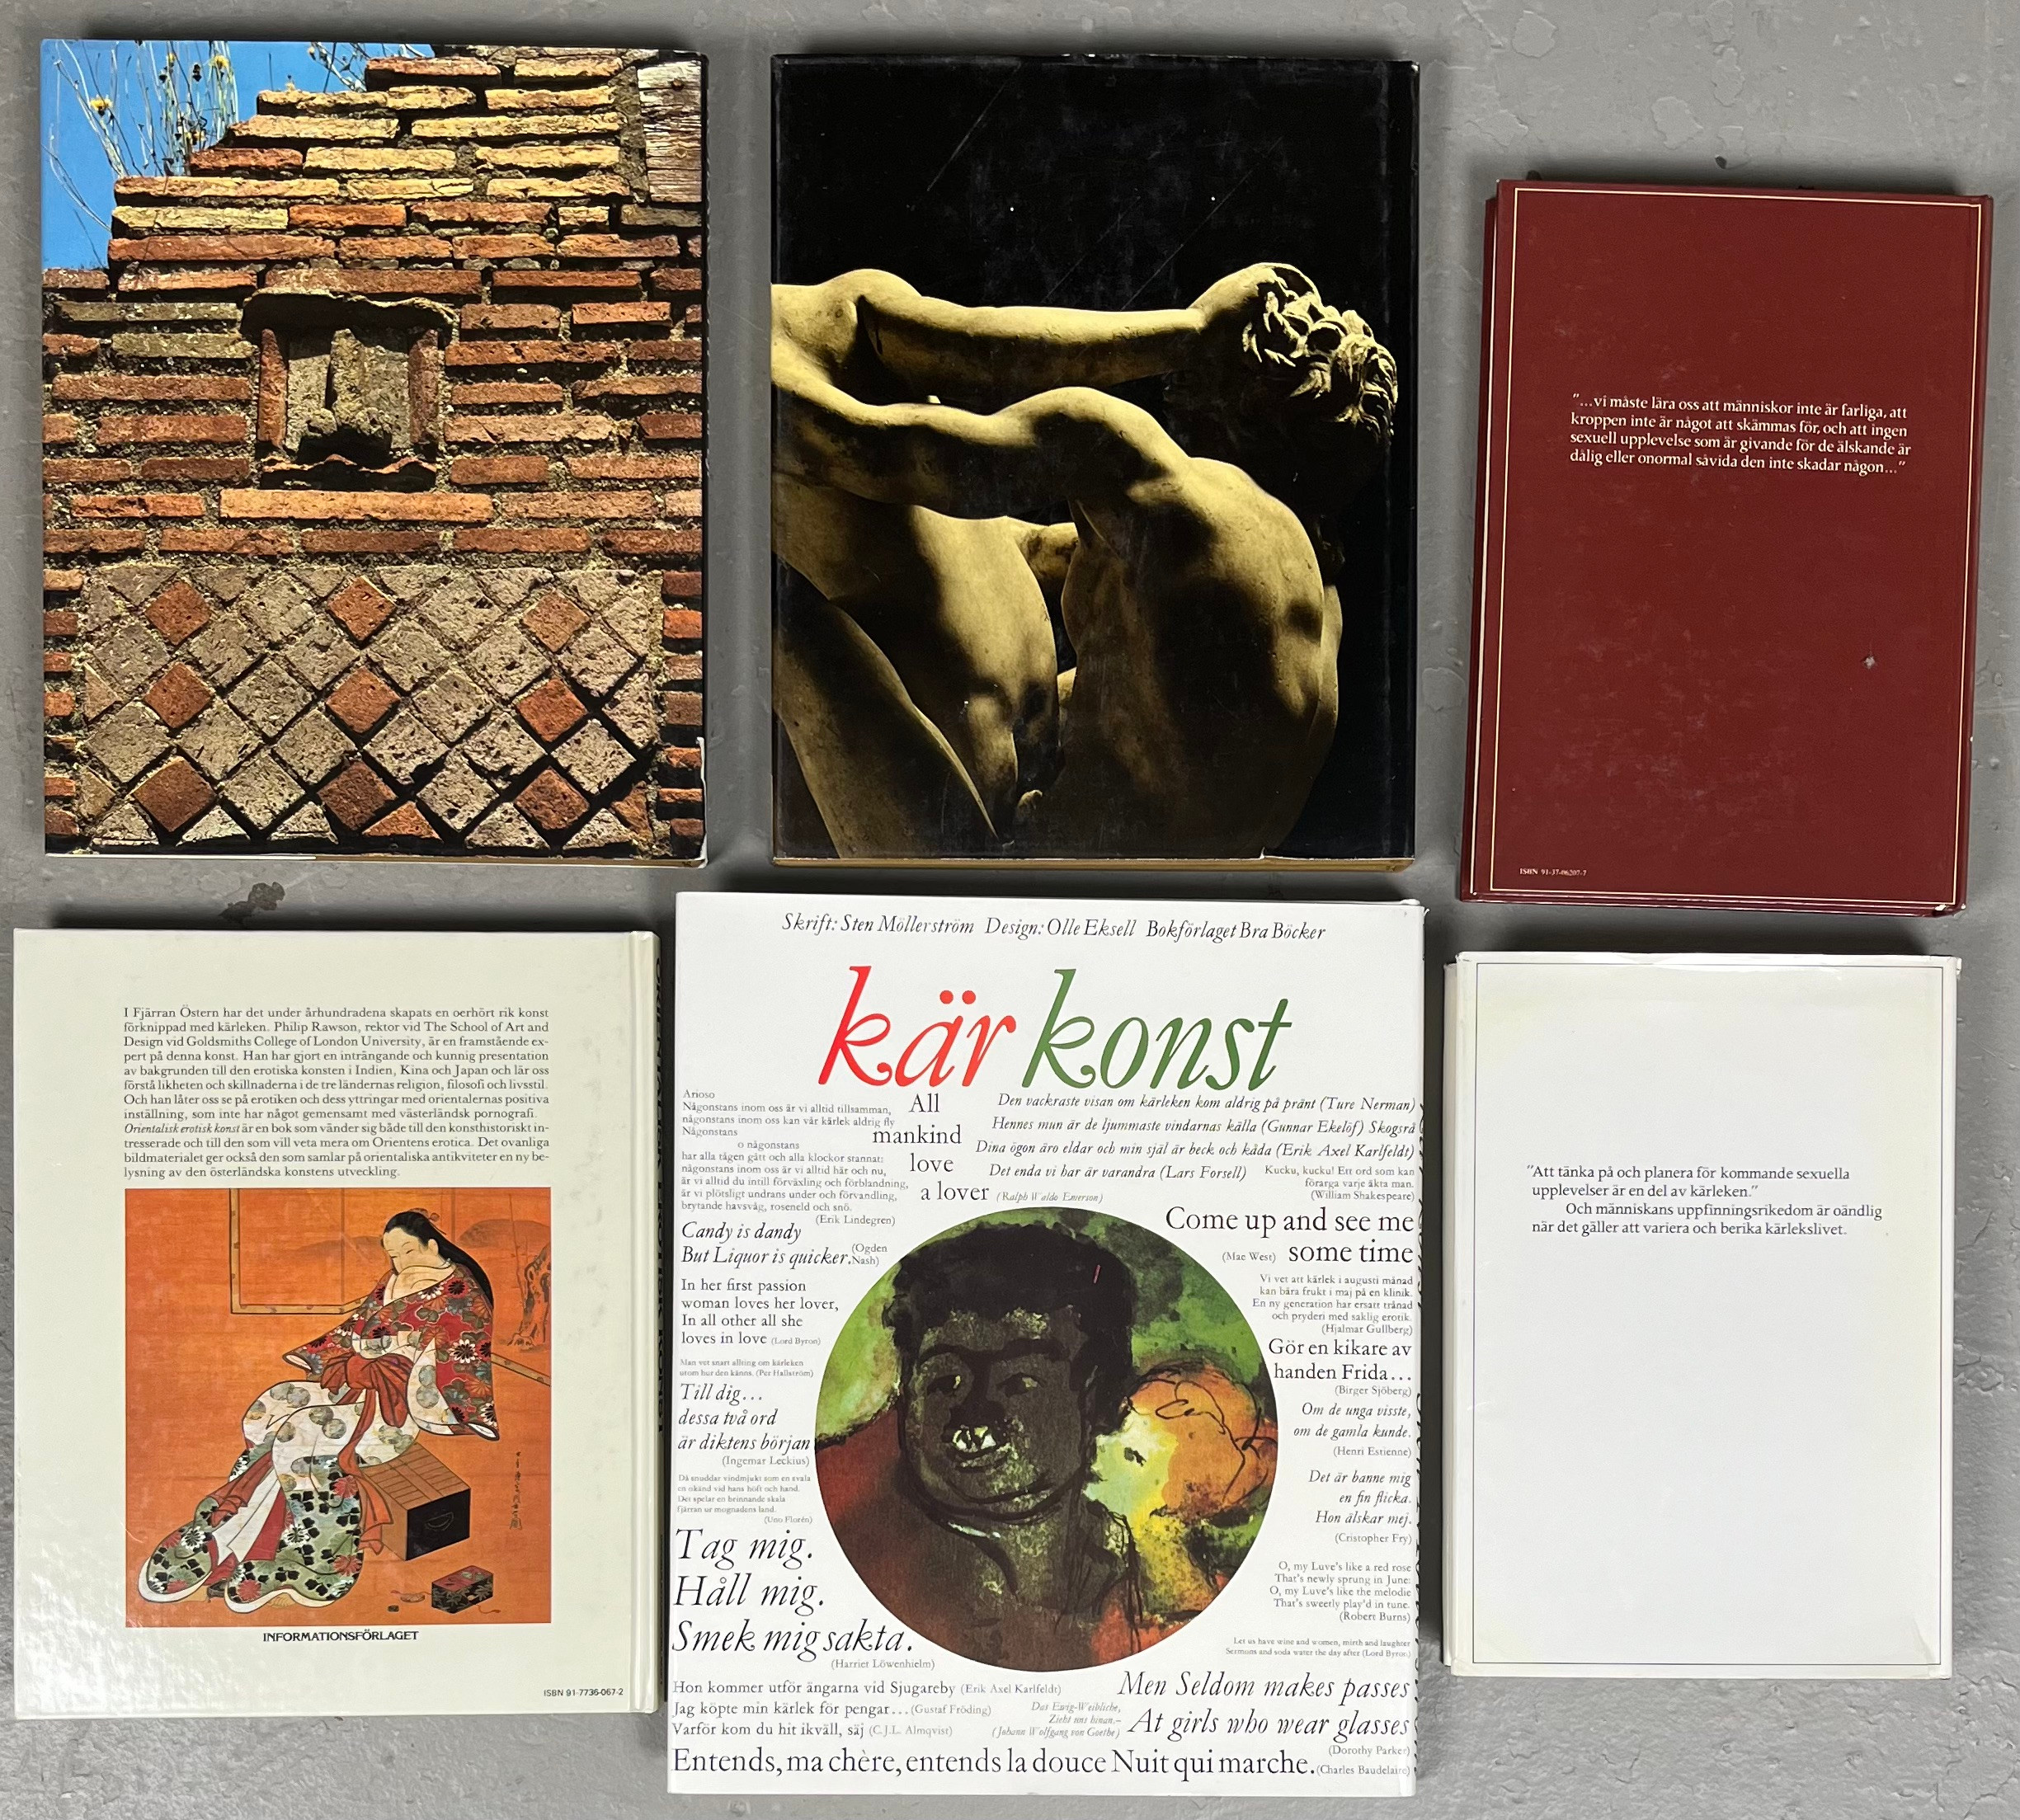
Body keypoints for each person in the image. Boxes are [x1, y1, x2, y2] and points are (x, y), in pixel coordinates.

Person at [772, 263, 1398, 858]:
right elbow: (1043, 558)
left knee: (781, 617)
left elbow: (878, 451)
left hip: (1020, 890)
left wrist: (1192, 327)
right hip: (1178, 905)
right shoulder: (1312, 596)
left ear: (1221, 385)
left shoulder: (1138, 468)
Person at [816, 1220, 1152, 1670]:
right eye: (945, 1383)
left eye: (1019, 1383)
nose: (974, 1419)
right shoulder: (840, 1537)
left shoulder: (1142, 1567)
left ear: (1097, 1400)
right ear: (907, 1394)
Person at [138, 1210, 497, 1614]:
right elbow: (356, 1327)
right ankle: (225, 1528)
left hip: (395, 1409)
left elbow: (460, 1366)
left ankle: (319, 1563)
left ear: (432, 1244)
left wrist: (387, 1371)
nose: (399, 1262)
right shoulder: (396, 1279)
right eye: (393, 1254)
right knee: (275, 1404)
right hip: (352, 1385)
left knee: (301, 1433)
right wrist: (341, 1360)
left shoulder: (464, 1296)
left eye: (407, 1251)